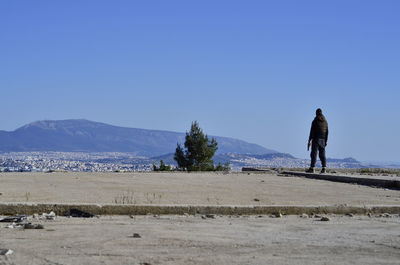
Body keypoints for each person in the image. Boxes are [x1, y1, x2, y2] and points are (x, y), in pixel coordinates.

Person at [307, 108, 328, 173]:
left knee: (314, 154)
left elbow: (311, 131)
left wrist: (309, 140)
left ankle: (312, 168)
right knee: (322, 154)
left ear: (316, 113)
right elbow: (327, 132)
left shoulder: (315, 121)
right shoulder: (325, 122)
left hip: (316, 139)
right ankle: (324, 168)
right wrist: (326, 141)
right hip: (323, 139)